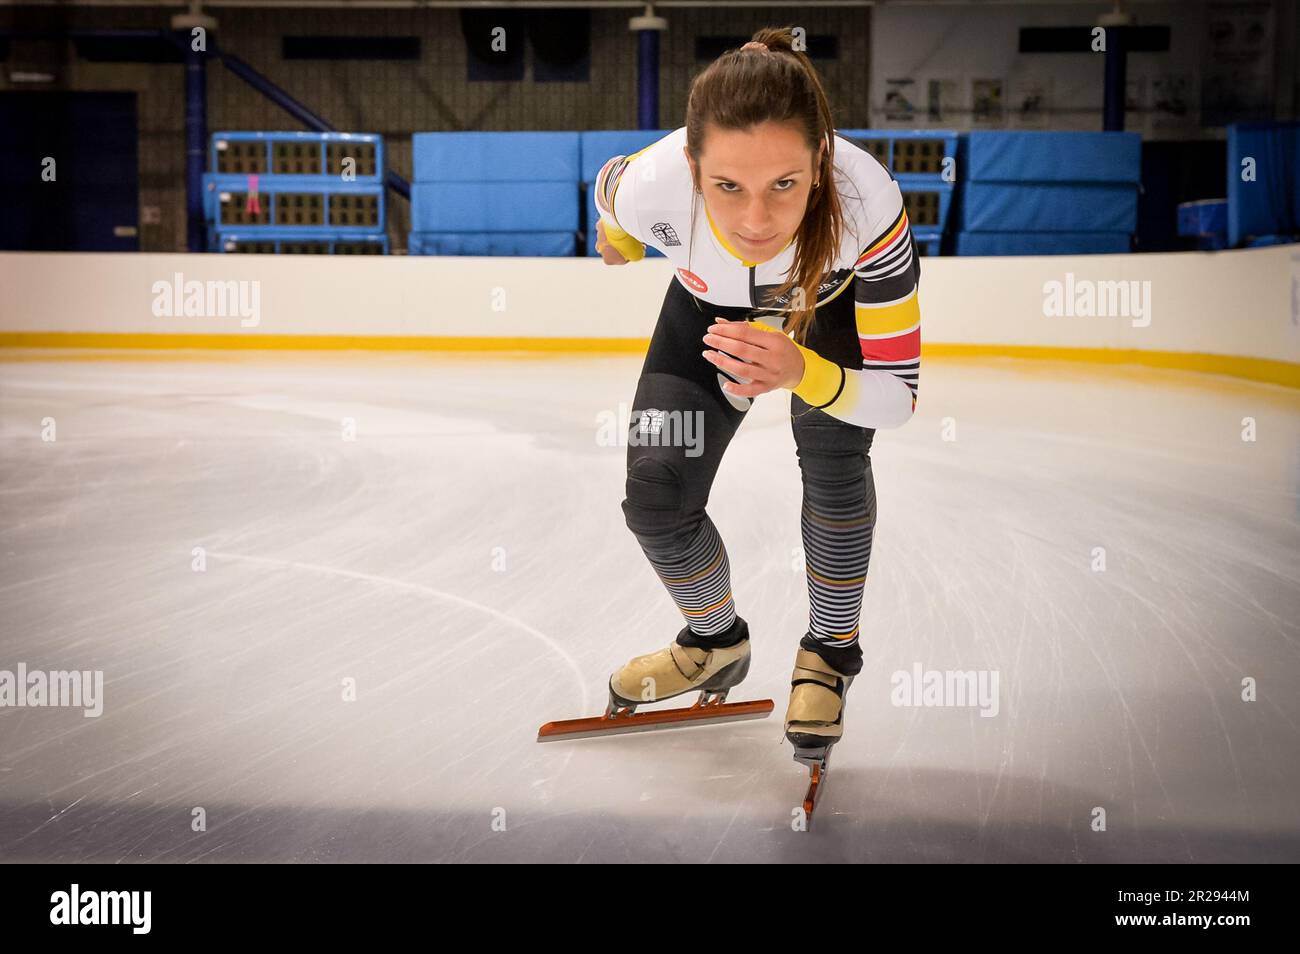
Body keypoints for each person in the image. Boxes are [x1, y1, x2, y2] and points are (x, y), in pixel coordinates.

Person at [592, 27, 921, 772]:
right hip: (706, 317)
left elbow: (897, 398)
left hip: (828, 316)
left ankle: (831, 655)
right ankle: (715, 642)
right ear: (690, 167)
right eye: (726, 187)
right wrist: (617, 235)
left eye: (786, 184)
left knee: (835, 468)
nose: (755, 223)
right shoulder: (648, 186)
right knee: (654, 500)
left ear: (822, 163)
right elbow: (608, 186)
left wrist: (804, 371)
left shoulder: (869, 202)